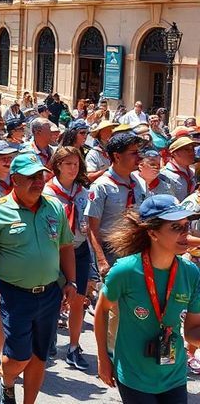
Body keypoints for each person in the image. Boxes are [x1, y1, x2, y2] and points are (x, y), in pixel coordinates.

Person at [0, 152, 76, 404]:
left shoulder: (54, 207)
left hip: (49, 294)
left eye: (40, 176)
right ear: (15, 179)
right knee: (18, 358)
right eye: (31, 177)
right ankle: (7, 381)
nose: (38, 181)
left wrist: (71, 281)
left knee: (40, 356)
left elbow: (66, 246)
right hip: (14, 295)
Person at [95, 194, 200, 404]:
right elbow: (102, 309)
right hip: (134, 376)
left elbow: (192, 331)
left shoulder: (191, 272)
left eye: (186, 226)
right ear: (152, 233)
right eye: (175, 227)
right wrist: (103, 358)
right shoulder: (125, 271)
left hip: (174, 375)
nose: (185, 234)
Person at [43, 146, 92, 371]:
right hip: (54, 252)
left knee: (78, 300)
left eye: (76, 164)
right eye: (68, 164)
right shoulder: (48, 192)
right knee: (52, 300)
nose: (73, 168)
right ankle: (48, 339)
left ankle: (73, 346)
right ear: (58, 166)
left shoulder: (83, 193)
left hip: (79, 249)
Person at [86, 133, 144, 280]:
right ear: (117, 157)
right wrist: (101, 260)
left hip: (136, 248)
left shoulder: (138, 182)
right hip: (112, 251)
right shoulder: (101, 186)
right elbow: (92, 228)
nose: (139, 157)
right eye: (133, 153)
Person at [162, 136, 198, 201]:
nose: (192, 153)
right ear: (175, 153)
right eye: (187, 150)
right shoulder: (165, 175)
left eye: (192, 149)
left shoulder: (192, 171)